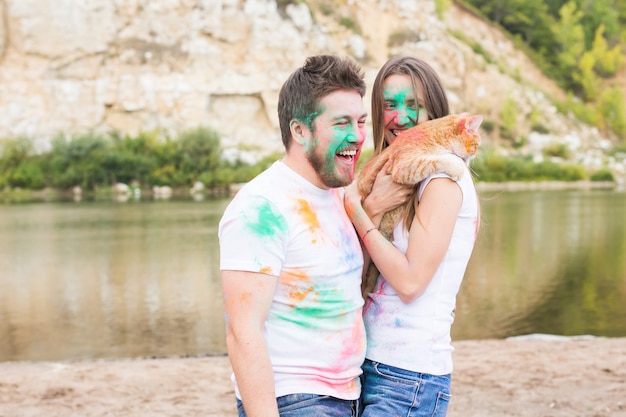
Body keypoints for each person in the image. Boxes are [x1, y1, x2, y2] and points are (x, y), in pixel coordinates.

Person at [219, 55, 369, 417]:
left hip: (350, 394)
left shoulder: (336, 193)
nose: (358, 135)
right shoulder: (260, 208)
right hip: (297, 401)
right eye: (342, 123)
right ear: (300, 130)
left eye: (361, 121)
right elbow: (243, 333)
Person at [344, 56, 480, 417]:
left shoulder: (443, 179)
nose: (399, 117)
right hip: (365, 363)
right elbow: (355, 275)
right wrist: (372, 207)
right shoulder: (395, 176)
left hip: (410, 374)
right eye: (389, 104)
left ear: (433, 112)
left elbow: (409, 282)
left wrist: (357, 211)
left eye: (414, 105)